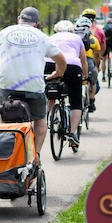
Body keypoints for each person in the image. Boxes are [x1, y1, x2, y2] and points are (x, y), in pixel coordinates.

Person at [0, 6, 67, 153]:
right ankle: (35, 157)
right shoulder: (42, 36)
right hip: (33, 87)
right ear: (36, 23)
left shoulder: (5, 32)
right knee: (39, 121)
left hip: (8, 84)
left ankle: (8, 153)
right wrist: (59, 72)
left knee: (6, 113)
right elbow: (61, 59)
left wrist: (0, 71)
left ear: (19, 19)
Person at [45, 20, 88, 150]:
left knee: (51, 91)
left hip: (51, 64)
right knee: (75, 100)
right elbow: (83, 60)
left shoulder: (51, 37)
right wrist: (85, 77)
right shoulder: (76, 38)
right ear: (71, 29)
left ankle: (53, 116)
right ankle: (72, 133)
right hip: (72, 66)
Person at [74, 16, 101, 112]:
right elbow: (97, 55)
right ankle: (91, 100)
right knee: (92, 80)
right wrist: (97, 66)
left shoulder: (74, 38)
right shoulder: (93, 39)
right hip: (89, 61)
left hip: (76, 61)